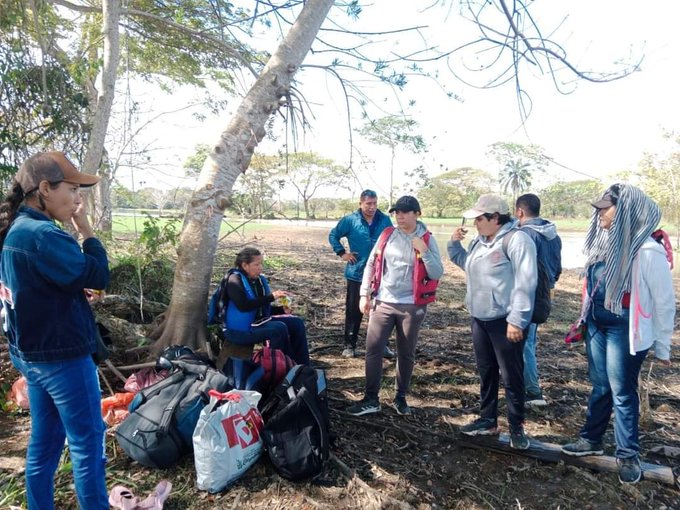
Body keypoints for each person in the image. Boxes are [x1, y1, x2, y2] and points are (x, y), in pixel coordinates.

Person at [0, 152, 110, 509]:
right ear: (45, 189)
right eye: (73, 189)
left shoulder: (16, 230)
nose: (79, 199)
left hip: (31, 357)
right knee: (87, 444)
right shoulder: (44, 234)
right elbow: (98, 275)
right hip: (62, 359)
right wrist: (87, 232)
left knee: (44, 444)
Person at [561, 184, 675, 484]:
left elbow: (664, 302)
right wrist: (584, 318)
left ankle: (628, 454)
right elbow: (592, 288)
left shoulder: (648, 251)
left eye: (605, 208)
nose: (599, 213)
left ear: (625, 211)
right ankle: (591, 439)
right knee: (600, 387)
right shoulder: (604, 247)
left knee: (623, 393)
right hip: (598, 325)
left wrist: (663, 345)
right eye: (598, 208)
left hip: (626, 329)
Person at [448, 194, 537, 450]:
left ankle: (516, 427)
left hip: (505, 321)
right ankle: (488, 419)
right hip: (480, 318)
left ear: (495, 218)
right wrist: (454, 245)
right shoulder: (480, 241)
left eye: (480, 218)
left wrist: (517, 321)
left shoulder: (517, 240)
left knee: (512, 376)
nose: (475, 223)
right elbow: (468, 265)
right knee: (486, 371)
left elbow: (526, 282)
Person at [347, 195, 443, 416]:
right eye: (396, 212)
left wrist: (424, 252)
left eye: (405, 212)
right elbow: (371, 264)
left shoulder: (427, 239)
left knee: (406, 352)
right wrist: (364, 295)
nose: (399, 216)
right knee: (373, 350)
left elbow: (437, 272)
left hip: (411, 305)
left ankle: (400, 397)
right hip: (383, 301)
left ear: (417, 214)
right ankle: (371, 398)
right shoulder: (387, 234)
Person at [328, 189, 394, 358]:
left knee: (382, 311)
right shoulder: (350, 220)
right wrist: (342, 253)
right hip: (356, 272)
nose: (372, 207)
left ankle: (383, 345)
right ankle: (349, 345)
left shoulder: (385, 220)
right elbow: (334, 235)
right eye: (368, 204)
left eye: (374, 203)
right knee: (353, 310)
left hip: (380, 274)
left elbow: (393, 240)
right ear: (360, 203)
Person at [223, 246, 310, 365]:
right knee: (278, 329)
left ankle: (302, 366)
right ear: (245, 265)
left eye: (261, 264)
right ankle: (282, 367)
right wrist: (271, 297)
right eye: (257, 265)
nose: (260, 268)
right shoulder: (234, 280)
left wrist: (281, 310)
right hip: (238, 330)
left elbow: (260, 309)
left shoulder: (258, 281)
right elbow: (244, 306)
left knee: (297, 323)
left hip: (257, 322)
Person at [514, 193, 562, 407]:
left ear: (520, 212)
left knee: (524, 344)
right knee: (529, 340)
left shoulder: (524, 235)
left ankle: (532, 391)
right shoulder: (553, 235)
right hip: (546, 292)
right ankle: (523, 385)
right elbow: (557, 267)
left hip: (528, 292)